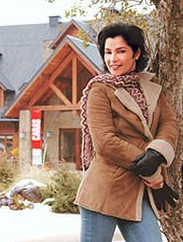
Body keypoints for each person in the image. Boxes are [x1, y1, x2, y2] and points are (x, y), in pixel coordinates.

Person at [74, 22, 179, 242]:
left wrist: (157, 153)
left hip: (139, 194)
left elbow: (169, 124)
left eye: (120, 51)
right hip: (104, 191)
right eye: (108, 52)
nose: (113, 59)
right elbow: (105, 142)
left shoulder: (151, 86)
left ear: (136, 52)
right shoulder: (100, 90)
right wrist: (151, 169)